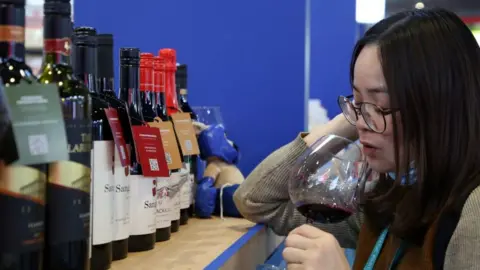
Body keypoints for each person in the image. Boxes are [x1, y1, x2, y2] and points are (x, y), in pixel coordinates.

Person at [234, 8, 480, 269]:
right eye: (357, 101)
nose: (362, 123)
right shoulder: (393, 201)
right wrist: (349, 120)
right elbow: (256, 200)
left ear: (440, 106)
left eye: (381, 103)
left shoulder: (471, 211)